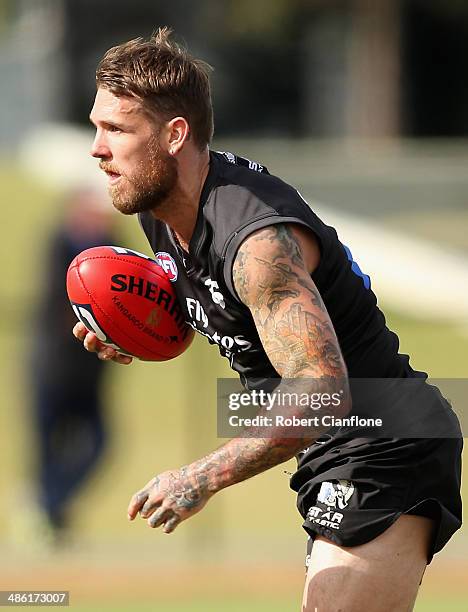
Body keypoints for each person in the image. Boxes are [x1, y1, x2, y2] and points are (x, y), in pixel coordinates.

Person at [73, 28, 462, 611]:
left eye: (118, 130)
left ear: (175, 136)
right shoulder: (162, 206)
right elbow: (218, 301)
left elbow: (320, 389)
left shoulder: (257, 244)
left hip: (386, 441)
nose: (97, 148)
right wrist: (140, 321)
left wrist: (199, 476)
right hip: (334, 446)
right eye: (96, 126)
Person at [31, 188, 114, 542]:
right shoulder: (60, 244)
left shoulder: (111, 246)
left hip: (91, 371)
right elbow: (58, 302)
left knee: (99, 442)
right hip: (54, 366)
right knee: (47, 446)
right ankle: (49, 514)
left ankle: (51, 505)